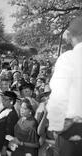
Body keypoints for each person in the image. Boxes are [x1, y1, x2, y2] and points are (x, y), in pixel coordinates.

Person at [46, 16, 82, 156]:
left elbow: (58, 97)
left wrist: (56, 127)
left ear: (73, 34)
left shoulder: (68, 58)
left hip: (73, 130)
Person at [0, 91, 19, 156]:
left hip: (1, 144)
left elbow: (9, 133)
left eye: (5, 99)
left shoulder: (12, 114)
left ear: (11, 101)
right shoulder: (5, 109)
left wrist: (4, 148)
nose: (3, 101)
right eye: (2, 99)